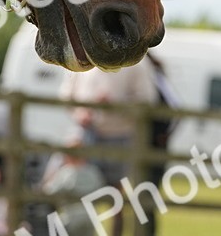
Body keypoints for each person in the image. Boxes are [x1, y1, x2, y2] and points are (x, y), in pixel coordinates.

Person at [60, 56, 162, 236]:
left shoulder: (137, 61)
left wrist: (115, 105)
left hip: (120, 137)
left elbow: (147, 99)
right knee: (81, 189)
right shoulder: (83, 55)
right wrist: (80, 112)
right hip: (87, 133)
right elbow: (66, 94)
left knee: (115, 197)